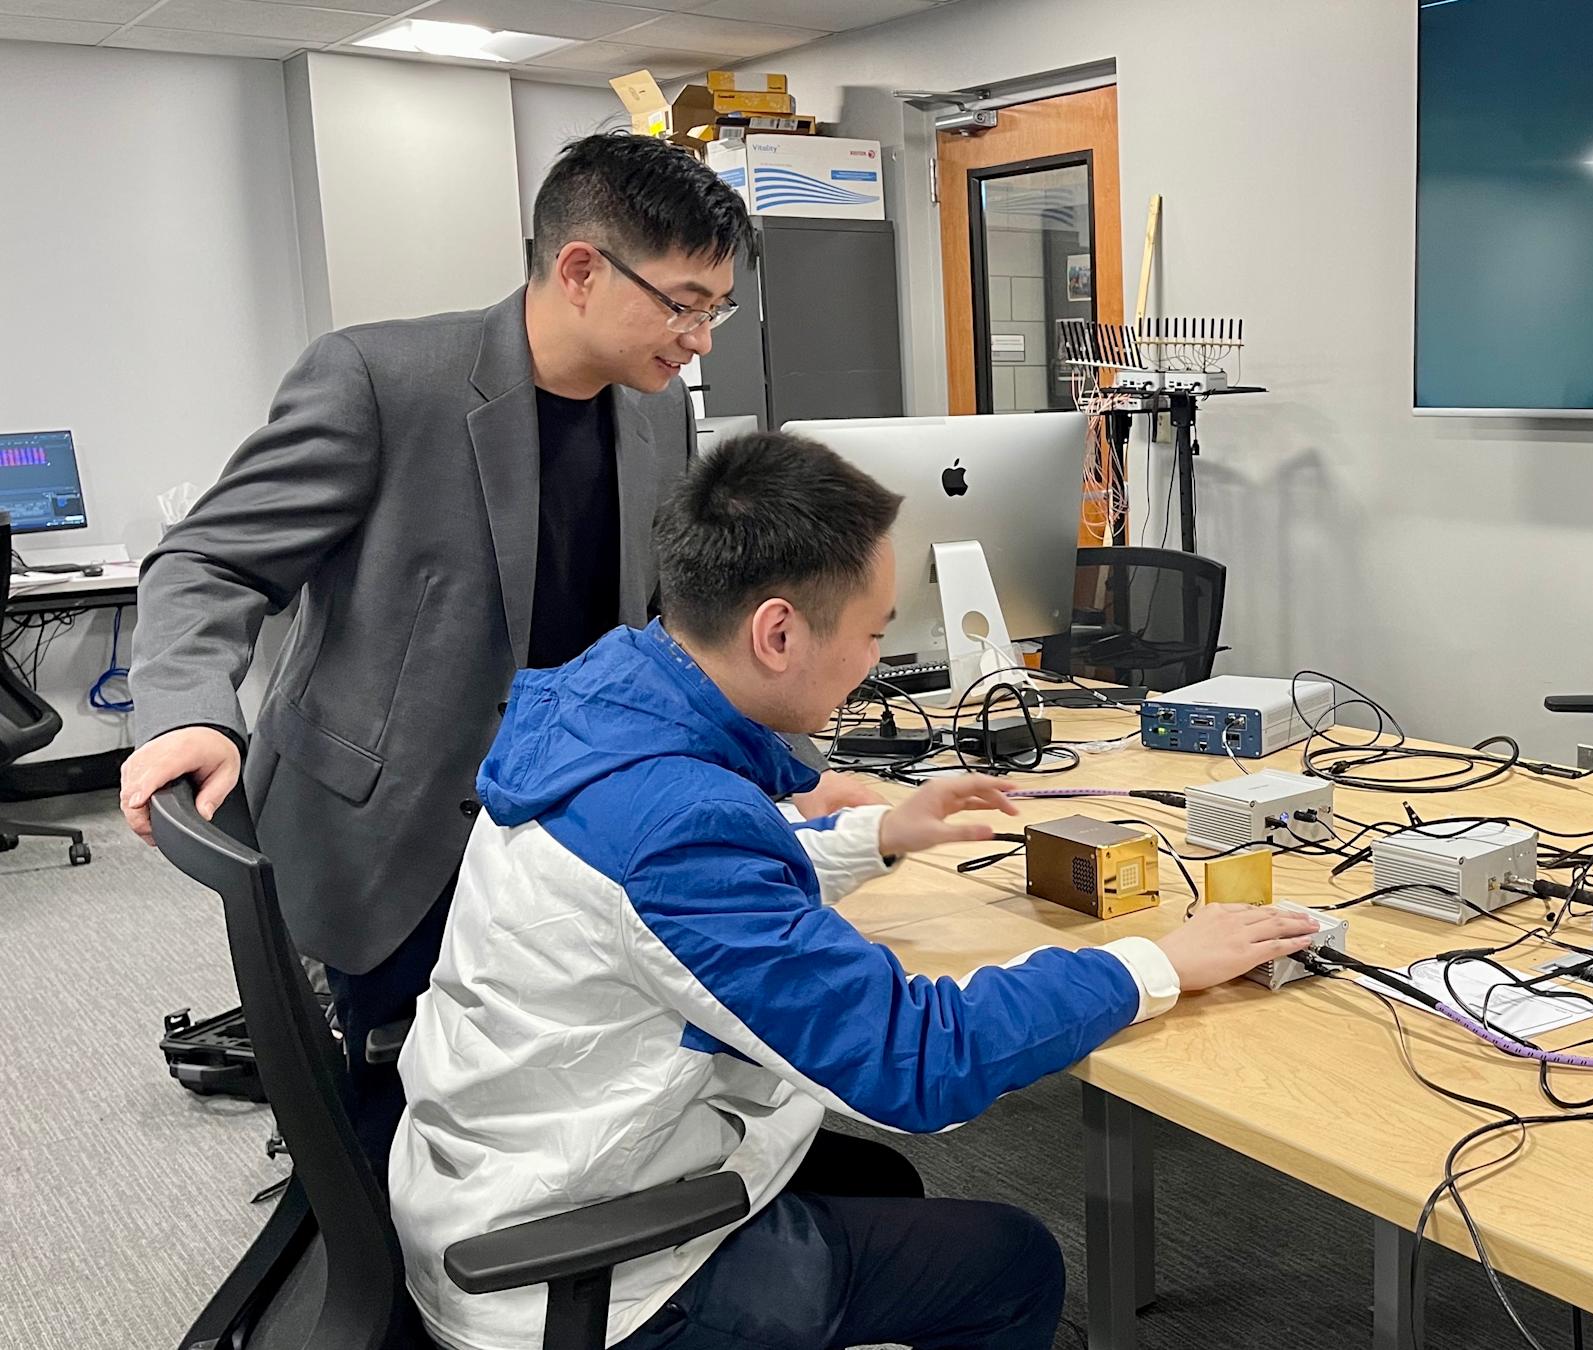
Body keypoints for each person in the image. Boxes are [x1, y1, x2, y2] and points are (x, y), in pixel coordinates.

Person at [389, 430, 1322, 1350]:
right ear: (779, 631)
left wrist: (875, 833)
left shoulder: (601, 695)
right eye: (875, 633)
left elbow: (695, 891)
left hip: (494, 1174)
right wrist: (1151, 965)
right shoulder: (675, 831)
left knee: (881, 1187)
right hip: (578, 1280)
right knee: (1014, 1263)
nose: (877, 661)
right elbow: (916, 1062)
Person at [118, 132, 879, 1163]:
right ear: (579, 271)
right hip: (389, 836)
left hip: (558, 835)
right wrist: (190, 714)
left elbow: (676, 640)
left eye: (716, 309)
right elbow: (207, 562)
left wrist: (785, 774)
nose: (701, 338)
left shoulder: (656, 421)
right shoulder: (378, 380)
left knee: (534, 1113)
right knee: (377, 1129)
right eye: (685, 303)